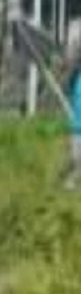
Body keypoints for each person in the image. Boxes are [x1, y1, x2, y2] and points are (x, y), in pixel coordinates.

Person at [67, 52, 81, 190]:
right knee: (75, 159)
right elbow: (69, 95)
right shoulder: (75, 78)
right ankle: (71, 184)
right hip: (76, 127)